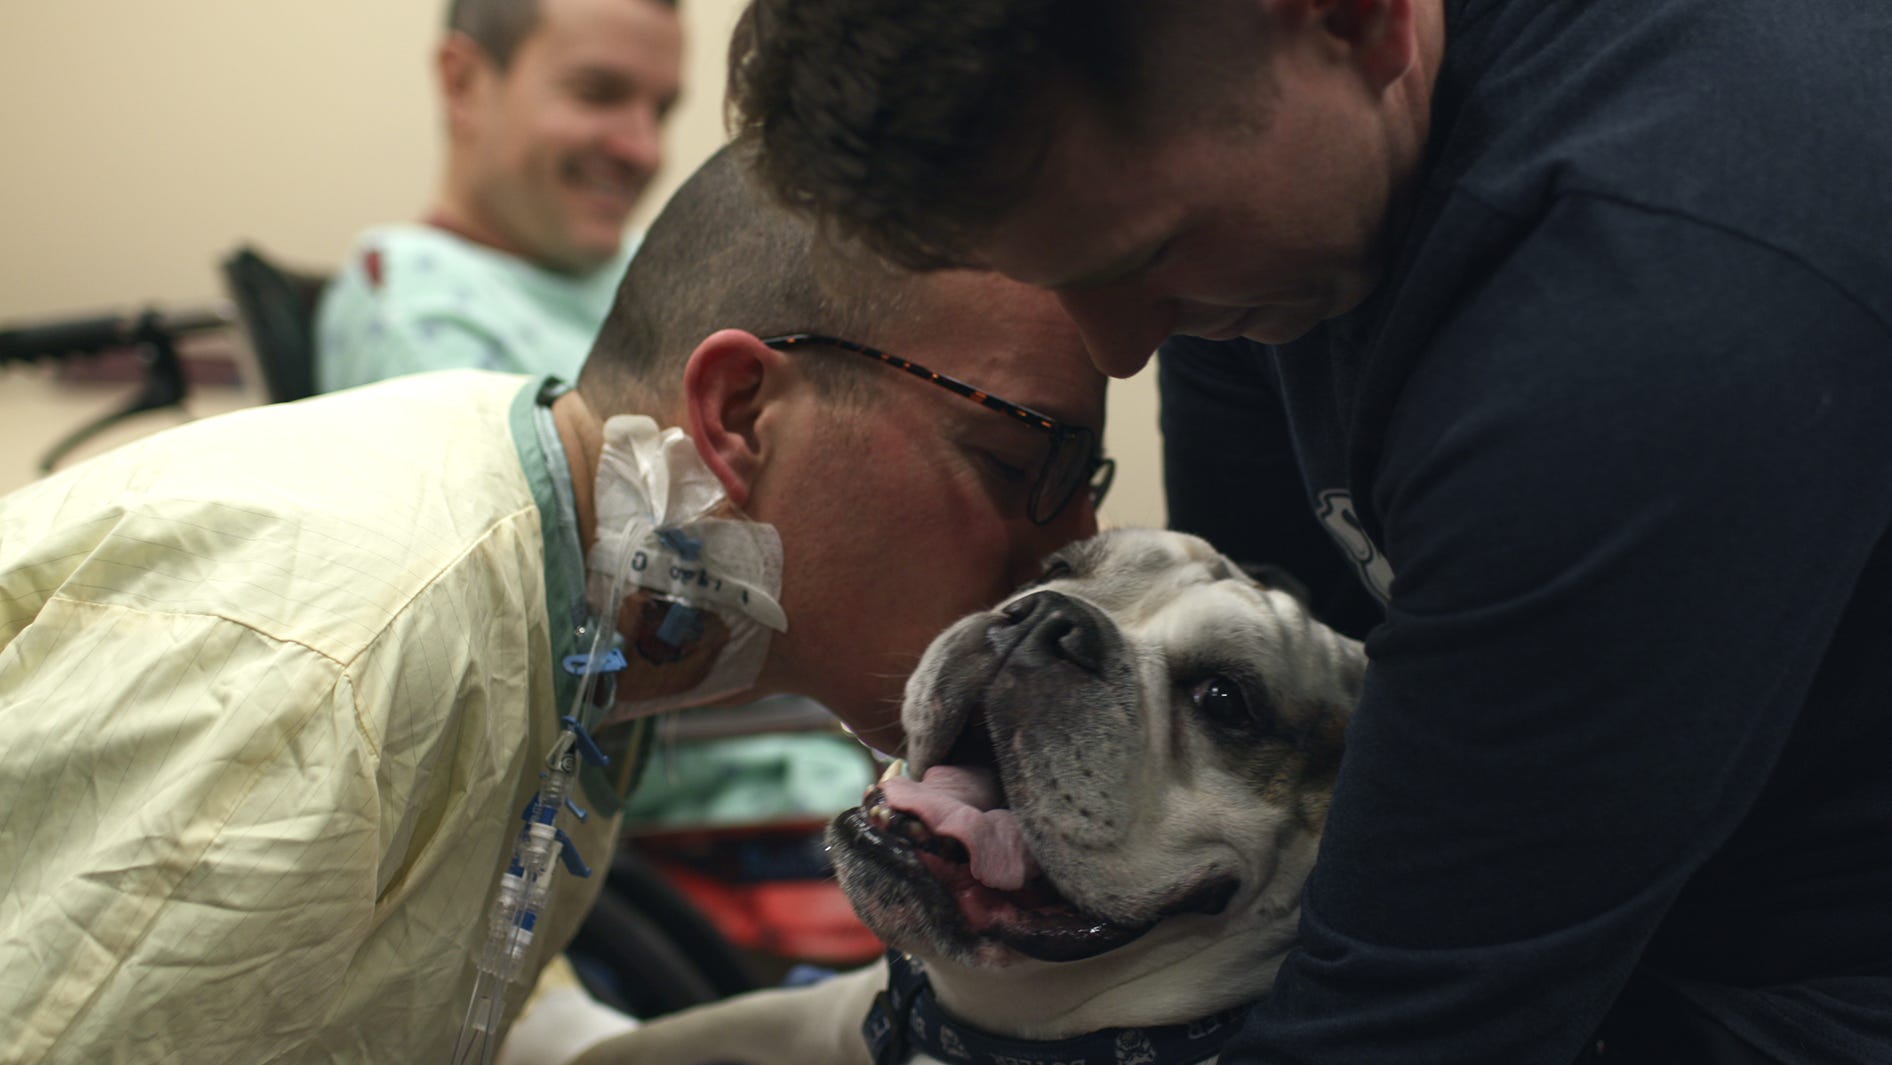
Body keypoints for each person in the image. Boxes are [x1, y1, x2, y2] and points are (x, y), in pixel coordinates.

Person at [724, 1, 1892, 1062]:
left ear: (1352, 17)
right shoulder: (1273, 253)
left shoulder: (1646, 309)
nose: (1121, 349)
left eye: (1143, 255)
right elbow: (1286, 694)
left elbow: (1400, 1025)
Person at [0, 145, 1110, 1065]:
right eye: (1020, 460)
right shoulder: (339, 672)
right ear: (736, 414)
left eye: (1086, 485)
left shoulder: (587, 609)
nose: (1075, 548)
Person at [315, 0, 682, 392]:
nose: (647, 151)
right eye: (598, 94)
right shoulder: (417, 310)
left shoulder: (661, 264)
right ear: (464, 84)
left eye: (661, 111)